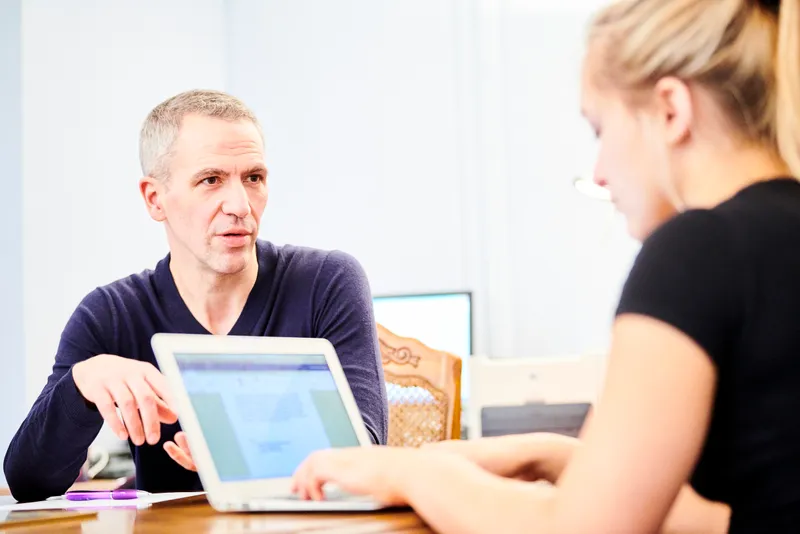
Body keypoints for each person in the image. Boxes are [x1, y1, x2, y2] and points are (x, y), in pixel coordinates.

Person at [290, 0, 800, 531]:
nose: (599, 173)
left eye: (600, 130)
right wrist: (549, 455)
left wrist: (408, 471)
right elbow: (720, 515)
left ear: (671, 110)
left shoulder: (697, 251)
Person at [3, 89, 388, 502]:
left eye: (254, 178)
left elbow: (366, 453)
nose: (241, 205)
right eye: (211, 180)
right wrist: (80, 385)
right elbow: (28, 482)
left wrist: (242, 454)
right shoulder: (110, 313)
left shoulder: (327, 282)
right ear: (155, 199)